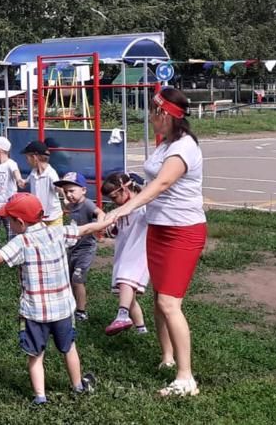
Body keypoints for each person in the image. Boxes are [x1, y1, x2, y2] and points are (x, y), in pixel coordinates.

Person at [0, 193, 109, 406]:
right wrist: (105, 220)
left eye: (9, 219)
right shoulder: (57, 232)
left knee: (35, 355)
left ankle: (40, 397)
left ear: (21, 222)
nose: (8, 222)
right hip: (63, 308)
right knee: (69, 347)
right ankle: (79, 386)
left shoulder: (21, 242)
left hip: (35, 312)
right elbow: (84, 229)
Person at [99, 86, 206, 397]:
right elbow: (152, 180)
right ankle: (168, 358)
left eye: (152, 112)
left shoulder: (183, 148)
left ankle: (186, 378)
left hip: (182, 232)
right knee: (160, 298)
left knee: (169, 303)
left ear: (163, 114)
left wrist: (122, 208)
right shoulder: (166, 144)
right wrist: (133, 186)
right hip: (158, 229)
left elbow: (162, 183)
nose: (149, 118)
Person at [99, 172, 150, 337]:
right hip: (124, 252)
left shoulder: (143, 208)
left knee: (126, 281)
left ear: (125, 189)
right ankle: (141, 328)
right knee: (128, 294)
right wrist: (108, 228)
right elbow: (116, 231)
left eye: (114, 197)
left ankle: (122, 315)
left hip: (138, 252)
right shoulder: (120, 211)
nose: (113, 202)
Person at [54, 172, 103, 322]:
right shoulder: (72, 204)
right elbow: (67, 202)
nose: (69, 194)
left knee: (77, 279)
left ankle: (81, 311)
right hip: (72, 247)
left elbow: (100, 212)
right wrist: (60, 191)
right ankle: (70, 305)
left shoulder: (87, 204)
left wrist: (99, 226)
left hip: (86, 248)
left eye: (72, 191)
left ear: (84, 190)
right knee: (68, 278)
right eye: (66, 191)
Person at [23, 141, 63, 226]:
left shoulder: (50, 173)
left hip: (53, 217)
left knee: (54, 239)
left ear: (34, 157)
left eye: (27, 158)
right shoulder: (33, 172)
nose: (26, 161)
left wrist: (65, 197)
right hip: (38, 217)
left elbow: (58, 187)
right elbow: (25, 182)